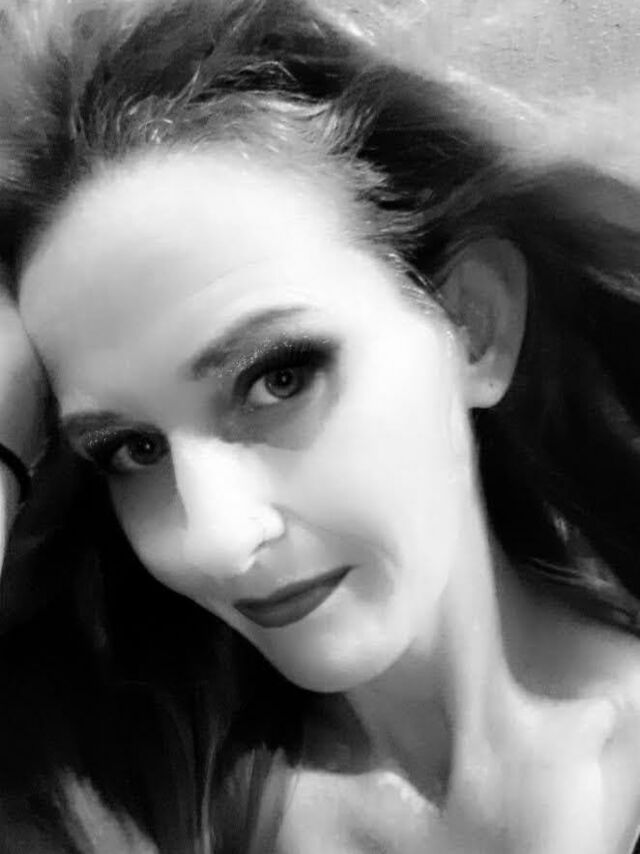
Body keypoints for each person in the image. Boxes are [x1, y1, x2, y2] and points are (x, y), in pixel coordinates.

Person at [0, 0, 640, 851]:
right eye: (134, 449)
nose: (215, 542)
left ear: (472, 323)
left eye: (279, 378)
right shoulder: (126, 796)